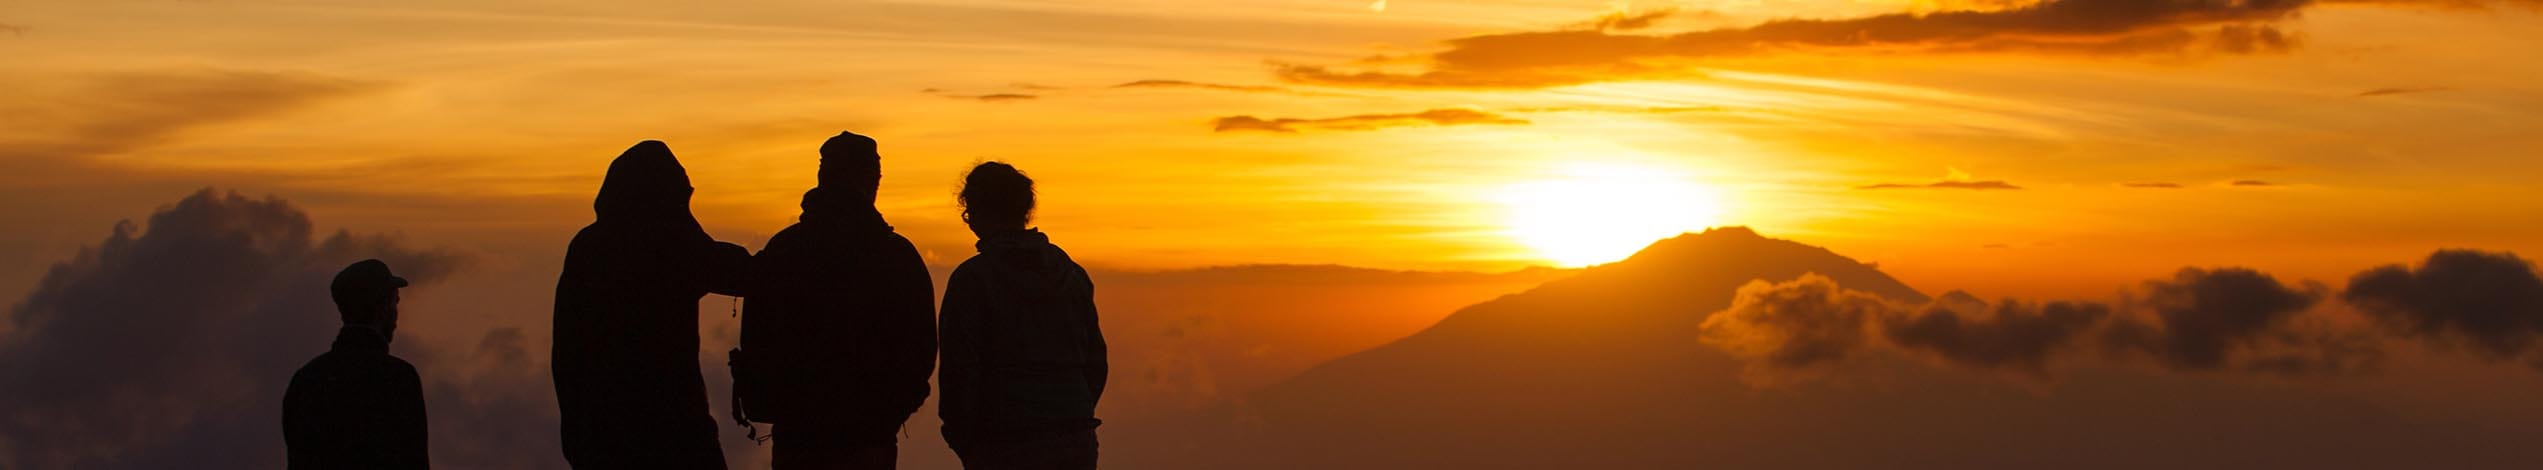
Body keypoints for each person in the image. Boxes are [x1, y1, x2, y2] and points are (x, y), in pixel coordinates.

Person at [737, 131, 936, 469]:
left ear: (822, 177)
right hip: (870, 435)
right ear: (871, 180)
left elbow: (756, 339)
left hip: (798, 434)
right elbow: (920, 349)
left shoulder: (784, 250)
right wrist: (888, 412)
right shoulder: (896, 255)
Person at [553, 140, 750, 469]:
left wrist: (576, 436)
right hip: (672, 431)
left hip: (596, 432)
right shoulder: (667, 241)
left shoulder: (588, 246)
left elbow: (567, 351)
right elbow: (735, 271)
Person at [937, 162, 1107, 470]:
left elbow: (958, 370)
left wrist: (964, 439)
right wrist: (1070, 413)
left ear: (975, 212)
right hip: (1073, 435)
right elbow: (1096, 362)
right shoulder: (1071, 275)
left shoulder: (973, 280)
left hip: (1003, 441)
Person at [284, 259, 429, 469]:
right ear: (382, 309)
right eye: (395, 303)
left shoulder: (306, 380)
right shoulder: (399, 378)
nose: (396, 314)